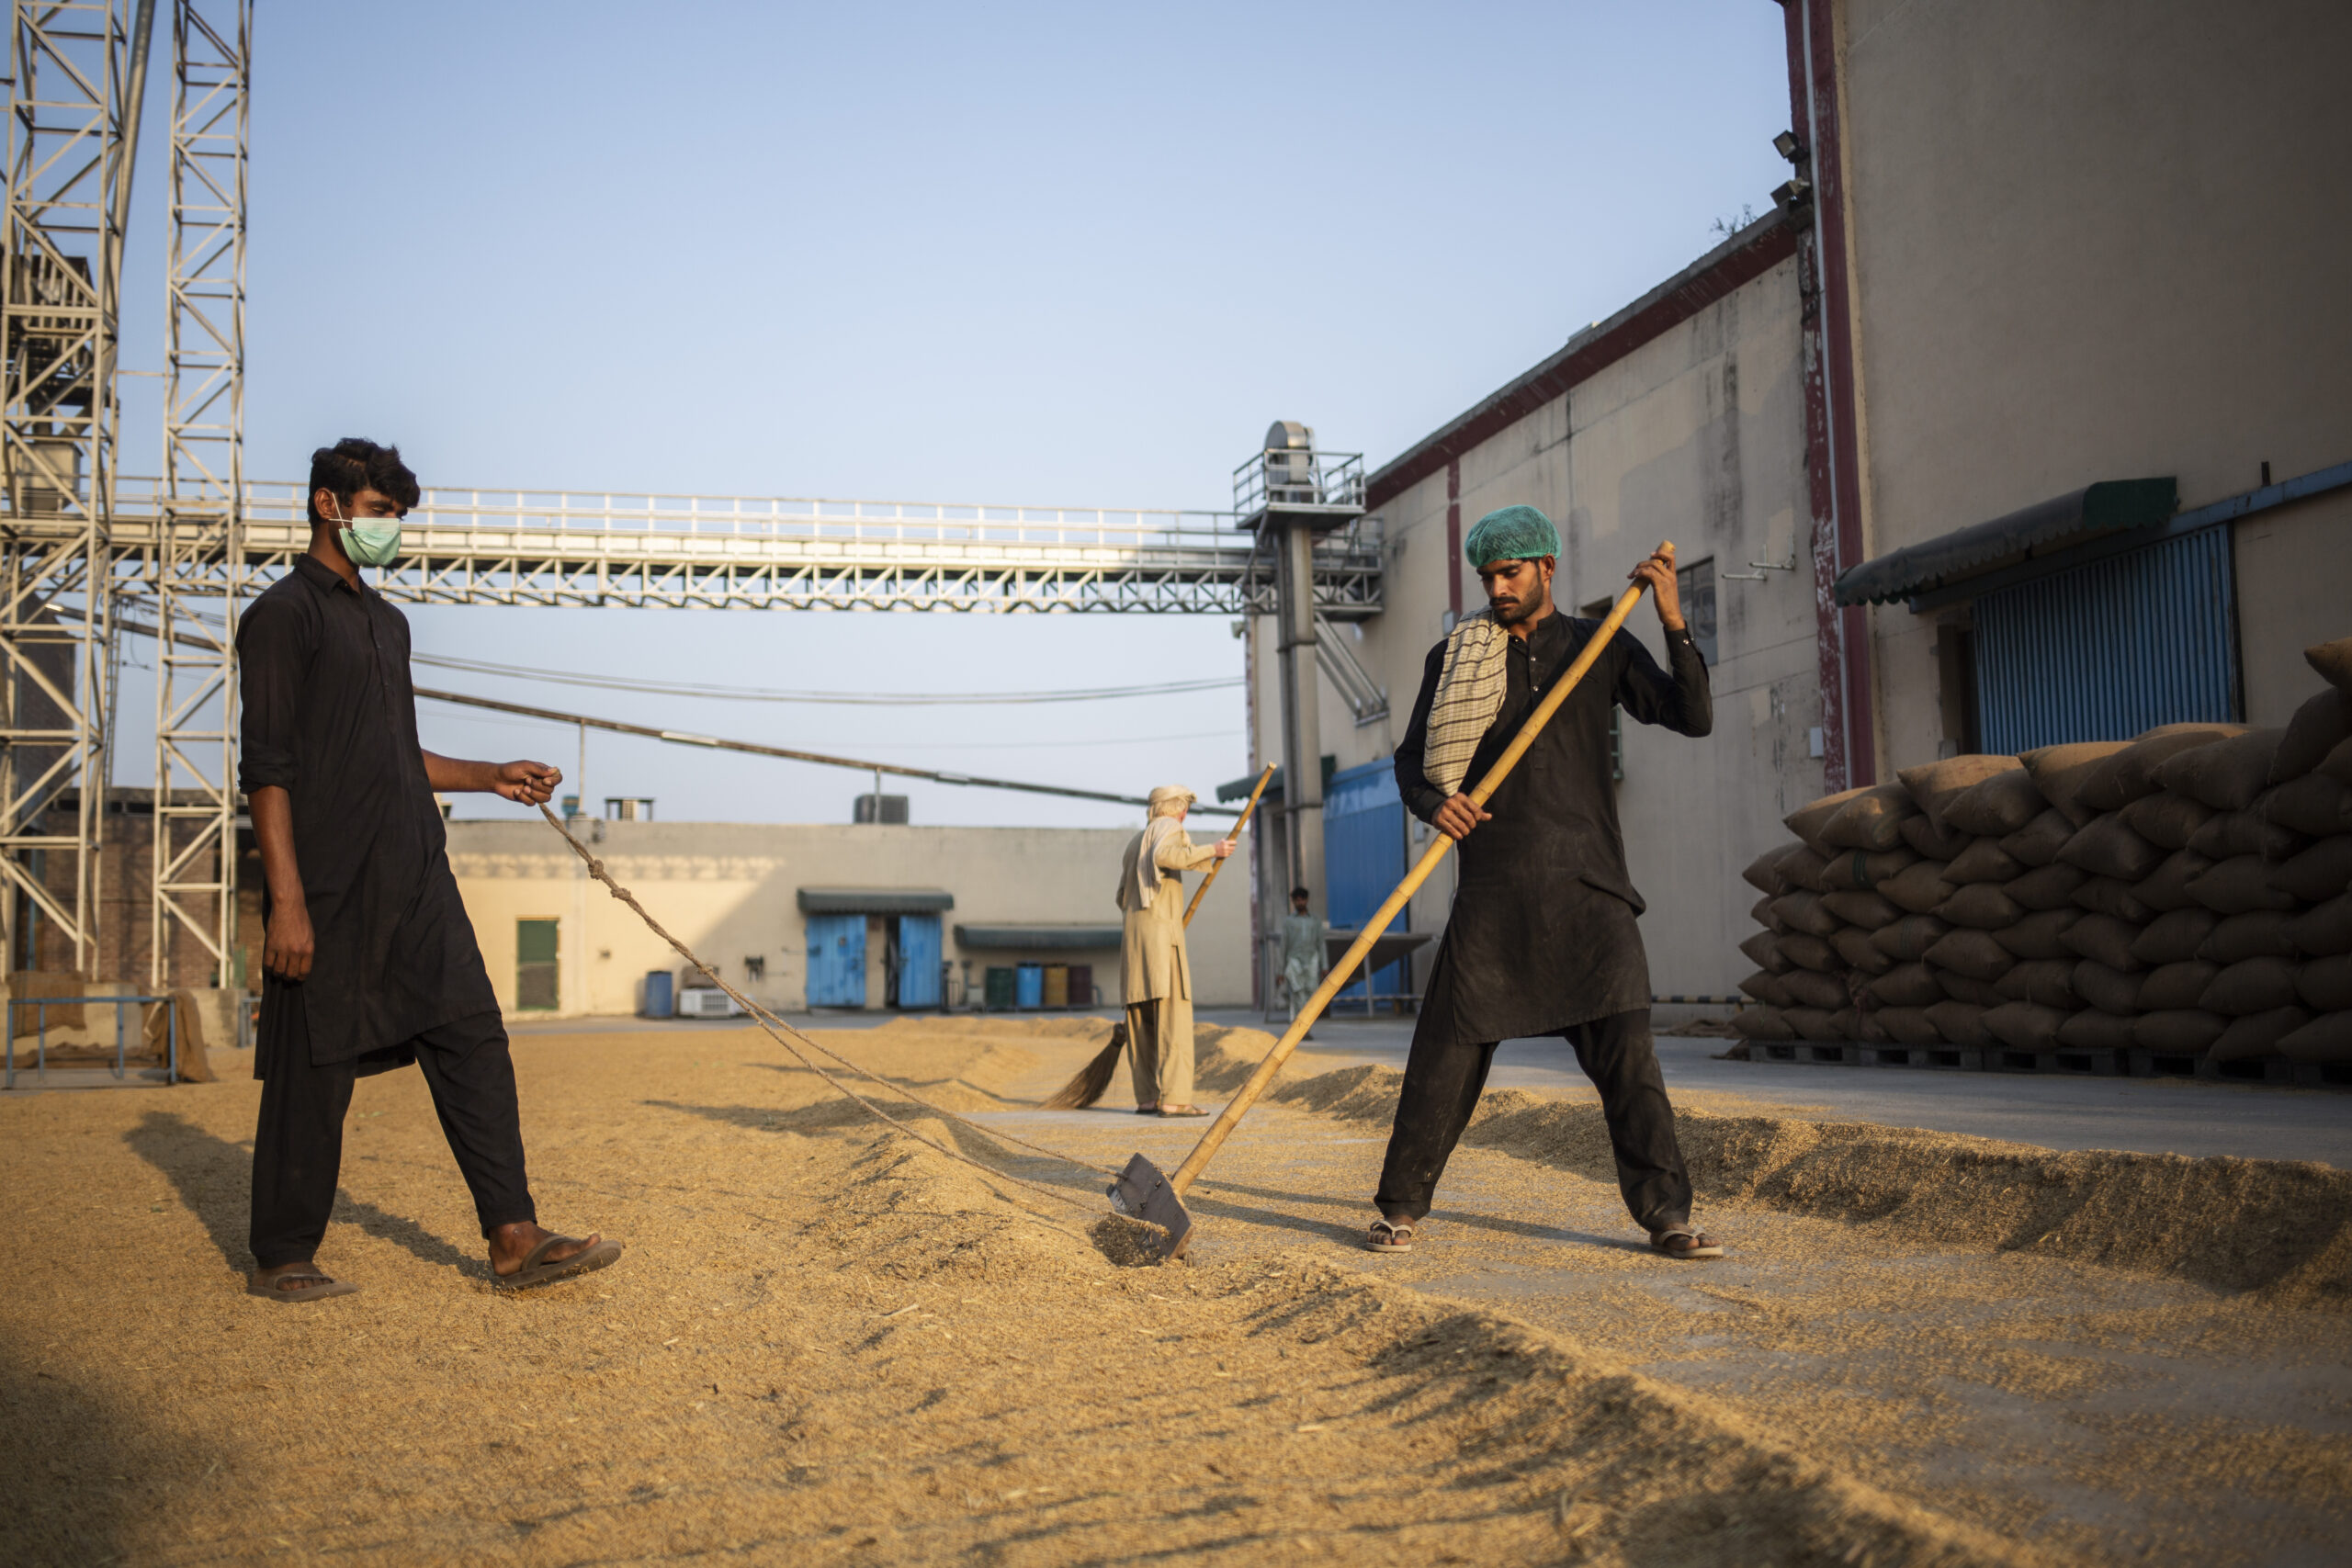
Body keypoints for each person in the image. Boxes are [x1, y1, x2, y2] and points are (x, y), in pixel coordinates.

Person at [237, 437, 623, 1302]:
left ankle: (514, 1236)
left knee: (472, 1031)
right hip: (328, 883)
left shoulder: (386, 624)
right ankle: (283, 1254)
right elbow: (266, 765)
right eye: (380, 513)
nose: (392, 530)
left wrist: (488, 775)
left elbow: (390, 751)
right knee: (315, 1062)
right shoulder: (282, 616)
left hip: (414, 871)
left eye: (399, 518)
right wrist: (286, 901)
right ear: (328, 505)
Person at [1368, 503, 1721, 1259]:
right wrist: (1438, 802)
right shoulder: (1456, 659)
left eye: (1511, 571)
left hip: (1591, 889)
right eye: (1488, 574)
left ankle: (1670, 1217)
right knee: (1444, 1057)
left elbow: (1690, 715)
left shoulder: (1599, 645)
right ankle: (1399, 1207)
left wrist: (1671, 616)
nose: (1497, 586)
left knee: (1631, 1061)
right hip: (1494, 892)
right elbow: (1410, 762)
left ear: (1547, 569)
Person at [1114, 785, 1234, 1116]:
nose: (1185, 816)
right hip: (1162, 940)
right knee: (1173, 1020)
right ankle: (1175, 1099)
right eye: (1184, 809)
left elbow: (1121, 894)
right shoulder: (1170, 829)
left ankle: (1147, 1098)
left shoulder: (1134, 841)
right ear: (1175, 809)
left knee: (1141, 1022)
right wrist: (1215, 849)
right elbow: (1165, 856)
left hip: (1135, 941)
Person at [1278, 886, 1326, 1032]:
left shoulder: (1315, 921)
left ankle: (1307, 1027)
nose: (1300, 902)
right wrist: (1280, 970)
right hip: (1294, 961)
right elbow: (1283, 946)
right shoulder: (1289, 922)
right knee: (1298, 994)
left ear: (1306, 900)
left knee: (1311, 994)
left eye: (1302, 899)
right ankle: (1300, 1030)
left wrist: (1324, 966)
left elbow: (1320, 943)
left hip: (1311, 960)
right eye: (1296, 900)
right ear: (1293, 902)